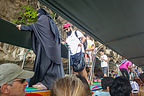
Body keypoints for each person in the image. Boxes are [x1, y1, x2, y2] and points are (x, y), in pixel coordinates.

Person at [16, 8, 64, 89]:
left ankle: (46, 84)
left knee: (44, 65)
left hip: (47, 48)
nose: (38, 16)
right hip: (53, 48)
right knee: (53, 67)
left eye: (38, 14)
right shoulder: (51, 21)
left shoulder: (44, 18)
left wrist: (22, 27)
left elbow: (34, 26)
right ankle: (55, 83)